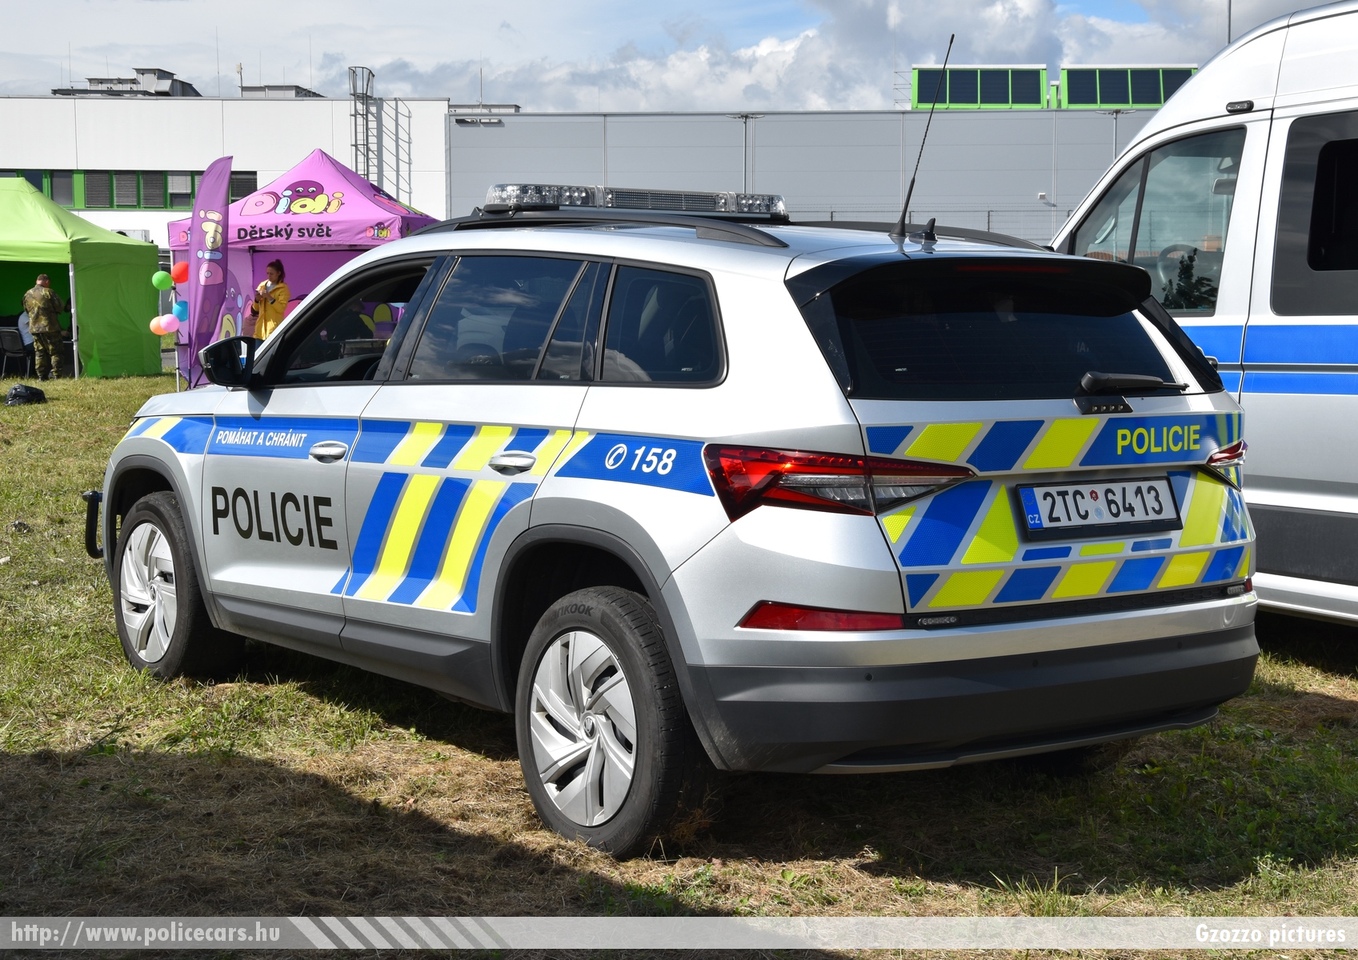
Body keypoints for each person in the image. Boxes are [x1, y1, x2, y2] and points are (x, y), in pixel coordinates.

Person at [21, 274, 65, 381]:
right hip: (50, 327)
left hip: (35, 328)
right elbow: (60, 307)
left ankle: (41, 376)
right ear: (46, 281)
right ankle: (56, 375)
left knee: (39, 352)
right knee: (55, 351)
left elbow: (26, 310)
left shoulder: (27, 294)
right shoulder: (48, 292)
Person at [249, 260, 291, 340]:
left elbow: (281, 309)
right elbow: (255, 309)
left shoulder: (283, 288)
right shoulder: (262, 285)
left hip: (274, 330)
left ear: (278, 273)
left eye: (271, 274)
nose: (269, 276)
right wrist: (257, 300)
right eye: (267, 273)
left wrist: (269, 297)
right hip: (260, 331)